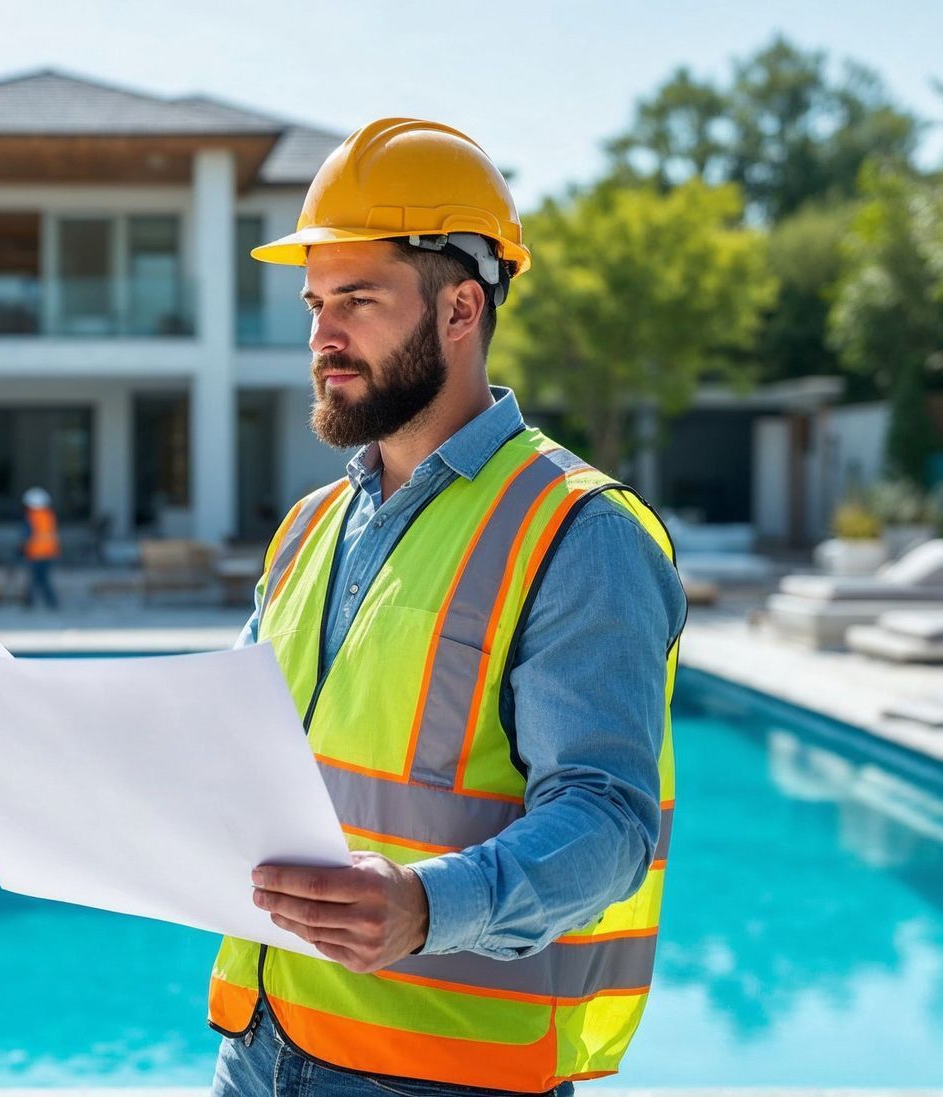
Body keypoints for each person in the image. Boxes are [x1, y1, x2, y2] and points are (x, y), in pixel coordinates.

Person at [209, 119, 686, 1097]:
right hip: (260, 1043)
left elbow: (607, 818)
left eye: (357, 301)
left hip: (438, 1071)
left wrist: (425, 906)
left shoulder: (579, 531)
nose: (321, 338)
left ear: (461, 307)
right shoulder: (309, 526)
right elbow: (239, 749)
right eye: (313, 303)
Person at [20, 486, 60, 610]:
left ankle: (31, 602)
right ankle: (50, 602)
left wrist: (21, 548)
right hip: (48, 553)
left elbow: (27, 535)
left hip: (36, 553)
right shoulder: (49, 516)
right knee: (42, 579)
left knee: (35, 580)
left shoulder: (32, 517)